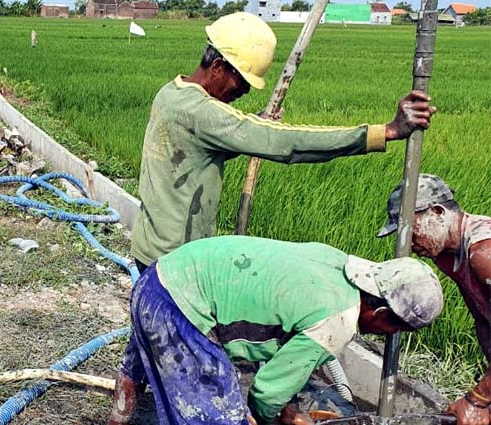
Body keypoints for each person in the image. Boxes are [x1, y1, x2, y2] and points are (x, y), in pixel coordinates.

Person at [131, 12, 437, 272]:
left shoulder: (171, 93)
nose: (245, 92)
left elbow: (199, 152)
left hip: (149, 248)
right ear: (218, 68)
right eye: (242, 81)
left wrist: (251, 127)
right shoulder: (203, 112)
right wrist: (383, 131)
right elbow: (287, 142)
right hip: (176, 263)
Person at [108, 235, 444, 425]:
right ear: (382, 311)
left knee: (135, 370)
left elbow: (279, 325)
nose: (387, 335)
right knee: (215, 419)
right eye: (393, 328)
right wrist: (270, 419)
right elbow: (266, 393)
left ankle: (117, 419)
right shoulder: (339, 319)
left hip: (159, 278)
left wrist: (291, 410)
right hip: (182, 313)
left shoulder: (338, 262)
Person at [376, 174, 491, 425]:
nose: (410, 244)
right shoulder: (446, 256)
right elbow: (484, 320)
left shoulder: (483, 252)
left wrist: (478, 399)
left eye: (412, 231)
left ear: (437, 212)